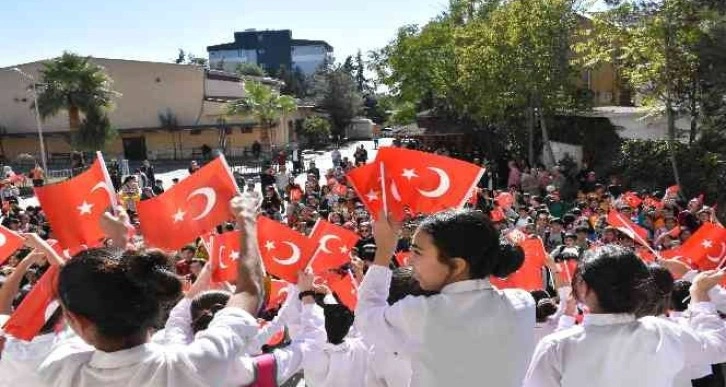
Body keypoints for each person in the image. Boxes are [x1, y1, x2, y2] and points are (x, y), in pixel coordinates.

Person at [39, 197, 266, 387]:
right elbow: (249, 291)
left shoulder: (59, 373)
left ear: (75, 321)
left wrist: (119, 241)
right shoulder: (194, 366)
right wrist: (246, 218)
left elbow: (104, 294)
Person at [356, 209, 535, 387]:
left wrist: (384, 251)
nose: (410, 261)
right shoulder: (523, 303)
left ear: (457, 265)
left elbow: (367, 317)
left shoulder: (422, 313)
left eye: (418, 252)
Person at [524, 245, 726, 387]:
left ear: (583, 288)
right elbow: (718, 346)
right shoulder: (663, 332)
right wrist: (700, 296)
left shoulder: (556, 347)